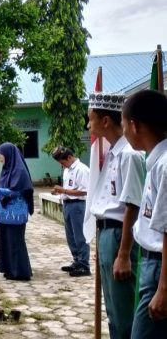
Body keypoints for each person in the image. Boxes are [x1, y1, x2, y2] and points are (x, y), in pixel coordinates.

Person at [86, 92, 145, 338]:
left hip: (120, 234)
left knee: (122, 312)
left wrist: (123, 254)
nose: (89, 125)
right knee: (112, 309)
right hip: (107, 232)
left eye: (91, 119)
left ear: (106, 121)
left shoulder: (129, 155)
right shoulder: (113, 153)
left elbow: (132, 205)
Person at [122, 90, 167, 337]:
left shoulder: (164, 165)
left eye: (123, 123)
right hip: (151, 264)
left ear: (134, 125)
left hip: (160, 268)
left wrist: (163, 289)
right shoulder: (155, 161)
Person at [0, 142, 33, 281]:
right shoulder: (7, 170)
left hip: (16, 214)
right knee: (7, 242)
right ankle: (10, 269)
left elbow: (16, 191)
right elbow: (3, 189)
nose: (0, 158)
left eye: (1, 155)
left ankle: (21, 272)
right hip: (5, 213)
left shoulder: (20, 171)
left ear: (9, 155)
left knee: (16, 242)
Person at [51, 146, 91, 277]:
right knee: (71, 236)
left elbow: (85, 190)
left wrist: (64, 191)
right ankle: (77, 260)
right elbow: (68, 187)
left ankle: (84, 265)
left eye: (63, 162)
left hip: (78, 205)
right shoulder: (67, 170)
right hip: (67, 204)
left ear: (69, 157)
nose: (62, 165)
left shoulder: (82, 169)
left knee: (80, 236)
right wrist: (60, 191)